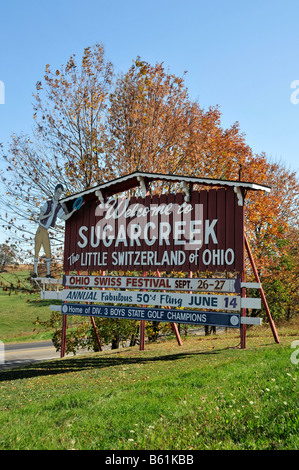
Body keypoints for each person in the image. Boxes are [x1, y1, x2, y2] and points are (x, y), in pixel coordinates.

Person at [33, 184, 77, 278]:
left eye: (60, 193)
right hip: (41, 228)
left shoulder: (59, 206)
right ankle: (35, 272)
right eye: (58, 192)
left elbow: (64, 217)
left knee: (48, 251)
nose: (58, 194)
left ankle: (48, 273)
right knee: (37, 249)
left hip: (46, 230)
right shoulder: (48, 203)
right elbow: (40, 217)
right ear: (55, 191)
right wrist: (48, 214)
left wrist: (73, 211)